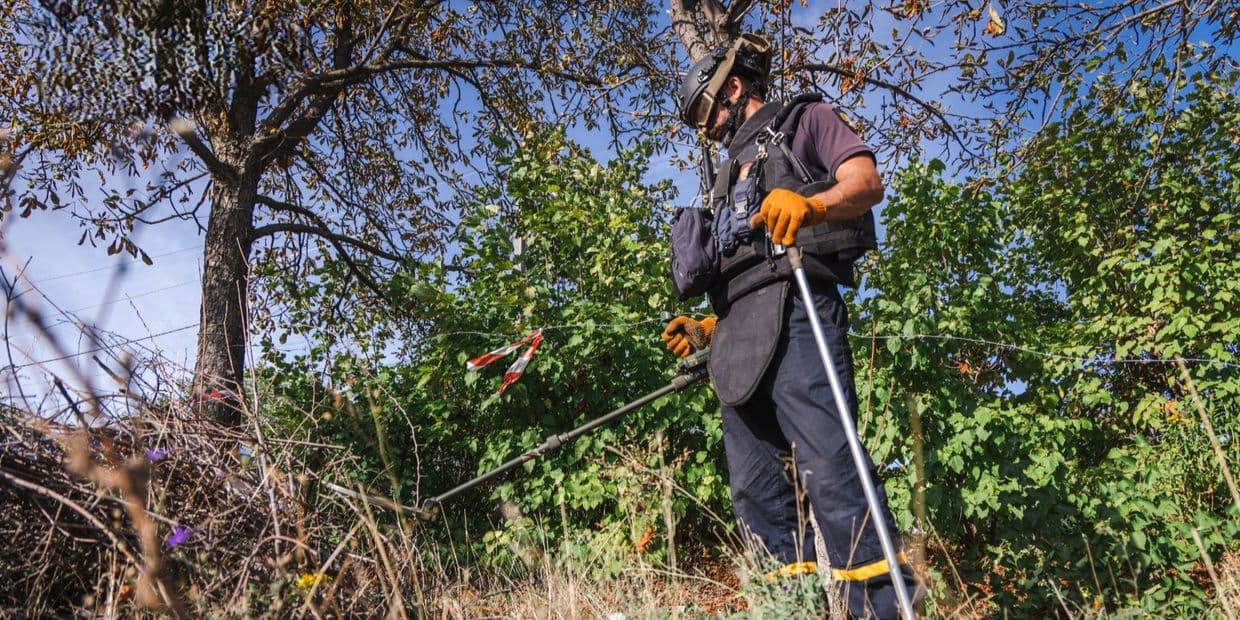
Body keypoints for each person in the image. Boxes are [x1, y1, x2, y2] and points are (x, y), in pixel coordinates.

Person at [663, 35, 918, 618]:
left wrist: (814, 205)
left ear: (733, 88)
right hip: (735, 345)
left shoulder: (806, 120)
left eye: (703, 113)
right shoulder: (724, 182)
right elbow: (743, 272)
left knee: (832, 471)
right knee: (759, 496)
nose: (704, 131)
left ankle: (882, 609)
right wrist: (705, 326)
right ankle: (790, 609)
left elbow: (865, 182)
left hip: (802, 312)